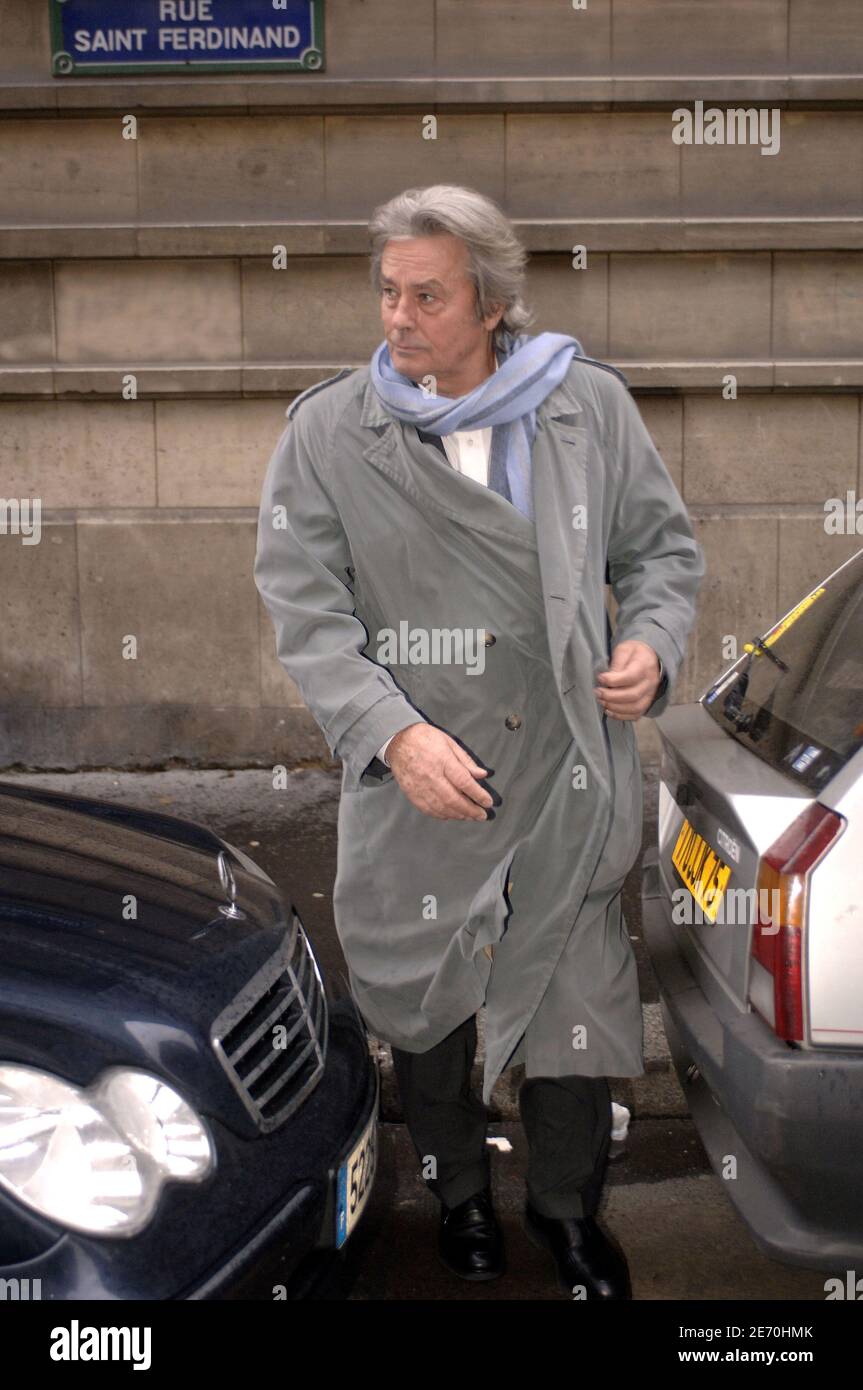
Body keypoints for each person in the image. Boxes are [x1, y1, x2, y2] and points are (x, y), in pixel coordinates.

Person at [254, 184, 704, 1300]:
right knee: (427, 1008)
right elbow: (308, 618)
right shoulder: (327, 432)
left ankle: (563, 1210)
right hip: (422, 787)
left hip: (564, 771)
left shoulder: (586, 409)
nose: (396, 316)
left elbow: (660, 555)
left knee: (570, 1007)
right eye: (387, 291)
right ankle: (460, 1196)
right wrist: (392, 735)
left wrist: (649, 642)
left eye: (427, 295)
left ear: (493, 302)